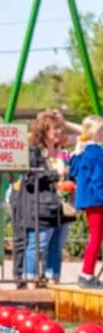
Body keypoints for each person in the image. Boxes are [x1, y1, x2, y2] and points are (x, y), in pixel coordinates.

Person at [18, 110, 73, 284]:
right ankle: (30, 279)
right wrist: (55, 174)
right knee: (38, 244)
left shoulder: (62, 150)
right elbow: (30, 177)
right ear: (43, 131)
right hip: (41, 205)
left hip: (62, 205)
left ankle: (52, 277)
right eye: (54, 128)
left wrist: (71, 181)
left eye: (59, 128)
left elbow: (89, 134)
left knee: (56, 245)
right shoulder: (34, 151)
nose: (58, 132)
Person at [69, 115, 103, 288]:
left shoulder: (83, 152)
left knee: (96, 237)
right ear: (94, 132)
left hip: (90, 199)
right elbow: (98, 179)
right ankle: (86, 273)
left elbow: (73, 170)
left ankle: (87, 273)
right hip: (97, 199)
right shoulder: (96, 152)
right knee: (96, 237)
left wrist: (76, 150)